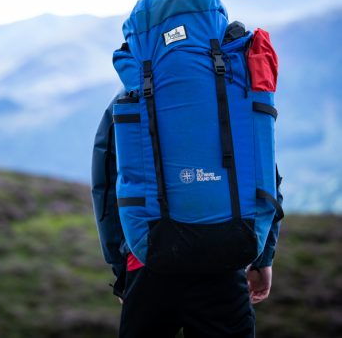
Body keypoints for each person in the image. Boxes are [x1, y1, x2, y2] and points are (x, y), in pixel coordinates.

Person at [91, 89, 283, 338]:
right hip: (223, 254)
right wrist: (262, 258)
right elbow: (265, 175)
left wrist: (120, 268)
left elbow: (105, 181)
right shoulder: (233, 86)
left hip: (147, 257)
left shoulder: (133, 88)